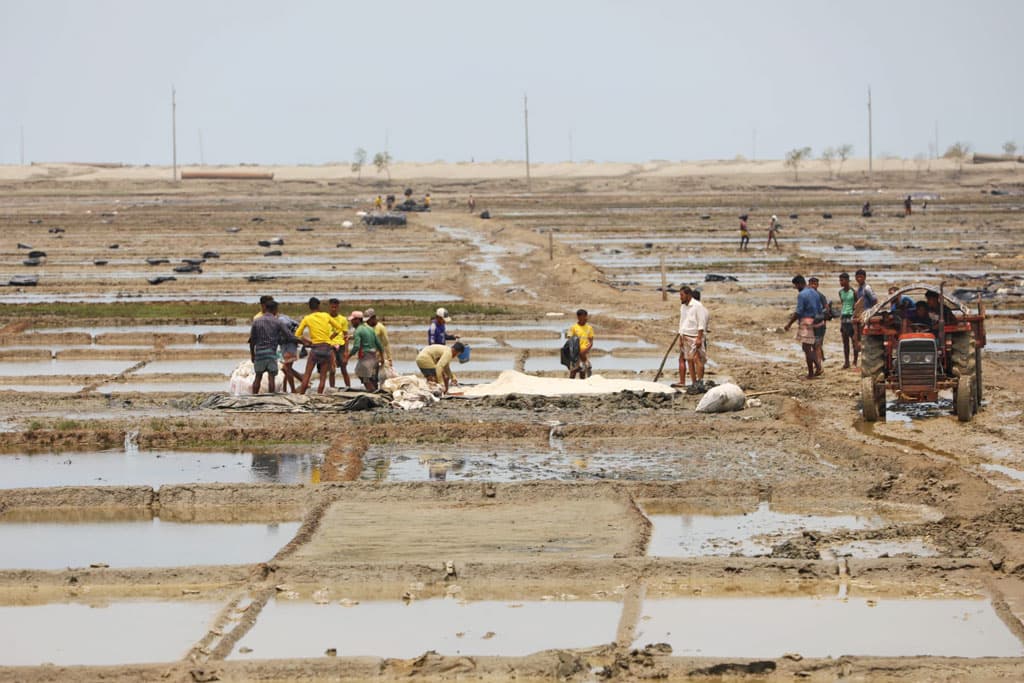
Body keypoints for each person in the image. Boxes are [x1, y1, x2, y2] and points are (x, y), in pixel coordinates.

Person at [295, 297, 346, 394]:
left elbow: (297, 335)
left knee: (307, 375)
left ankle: (301, 396)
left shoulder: (307, 318)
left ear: (309, 307)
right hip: (327, 348)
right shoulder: (325, 316)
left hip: (315, 348)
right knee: (323, 377)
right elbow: (339, 328)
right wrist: (330, 338)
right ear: (319, 306)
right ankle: (319, 395)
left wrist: (308, 341)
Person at [784, 275, 823, 379]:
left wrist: (789, 324)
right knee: (810, 347)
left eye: (796, 285)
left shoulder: (802, 295)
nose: (796, 288)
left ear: (800, 284)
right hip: (817, 321)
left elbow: (799, 311)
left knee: (806, 348)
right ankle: (817, 366)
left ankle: (814, 371)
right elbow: (820, 308)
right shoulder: (815, 292)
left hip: (806, 321)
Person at [248, 300, 291, 394]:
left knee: (258, 377)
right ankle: (271, 398)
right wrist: (302, 342)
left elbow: (252, 341)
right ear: (274, 309)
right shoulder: (277, 322)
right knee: (271, 377)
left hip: (259, 353)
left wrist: (252, 354)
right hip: (271, 353)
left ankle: (253, 397)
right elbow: (289, 335)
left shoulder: (256, 321)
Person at [675, 285, 709, 393]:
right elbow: (682, 322)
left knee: (697, 359)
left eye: (682, 295)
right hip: (685, 335)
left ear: (688, 295)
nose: (680, 297)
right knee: (689, 360)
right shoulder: (683, 307)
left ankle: (700, 381)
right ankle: (694, 383)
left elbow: (701, 323)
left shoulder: (697, 306)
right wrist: (680, 336)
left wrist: (699, 337)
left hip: (694, 336)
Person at [348, 311, 384, 392]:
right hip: (374, 358)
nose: (351, 322)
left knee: (362, 375)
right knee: (373, 379)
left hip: (366, 358)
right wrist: (382, 357)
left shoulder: (358, 330)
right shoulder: (370, 329)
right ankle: (375, 392)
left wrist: (348, 356)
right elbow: (379, 345)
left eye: (353, 320)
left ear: (358, 320)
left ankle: (373, 394)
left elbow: (356, 346)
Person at [326, 298, 351, 390]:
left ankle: (348, 388)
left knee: (344, 368)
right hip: (330, 346)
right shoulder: (326, 318)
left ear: (338, 307)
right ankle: (332, 388)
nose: (333, 309)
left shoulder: (343, 319)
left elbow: (346, 336)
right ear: (329, 307)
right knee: (332, 370)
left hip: (341, 345)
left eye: (335, 307)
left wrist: (346, 351)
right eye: (332, 307)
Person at [276, 309, 301, 392]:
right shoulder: (285, 318)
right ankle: (285, 389)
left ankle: (293, 389)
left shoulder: (281, 320)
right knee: (287, 368)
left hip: (288, 346)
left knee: (286, 368)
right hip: (289, 346)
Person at [837, 272, 858, 369]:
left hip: (851, 316)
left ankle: (855, 361)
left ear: (847, 280)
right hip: (844, 317)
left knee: (854, 340)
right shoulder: (840, 292)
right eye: (840, 280)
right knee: (845, 341)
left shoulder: (853, 292)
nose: (841, 282)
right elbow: (843, 303)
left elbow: (857, 304)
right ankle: (846, 362)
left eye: (842, 280)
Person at [567, 309, 594, 379]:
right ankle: (587, 364)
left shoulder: (589, 328)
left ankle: (586, 366)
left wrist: (587, 349)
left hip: (585, 350)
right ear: (578, 317)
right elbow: (569, 339)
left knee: (582, 372)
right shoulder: (573, 327)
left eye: (585, 316)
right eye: (583, 317)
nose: (585, 318)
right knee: (573, 371)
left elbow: (591, 342)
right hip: (575, 351)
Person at [808, 277, 829, 366]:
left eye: (815, 284)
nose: (813, 286)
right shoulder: (807, 296)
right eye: (811, 284)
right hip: (810, 324)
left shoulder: (821, 296)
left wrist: (824, 321)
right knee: (813, 345)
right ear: (808, 285)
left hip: (820, 324)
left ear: (817, 285)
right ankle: (820, 359)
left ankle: (819, 364)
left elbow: (827, 309)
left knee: (818, 344)